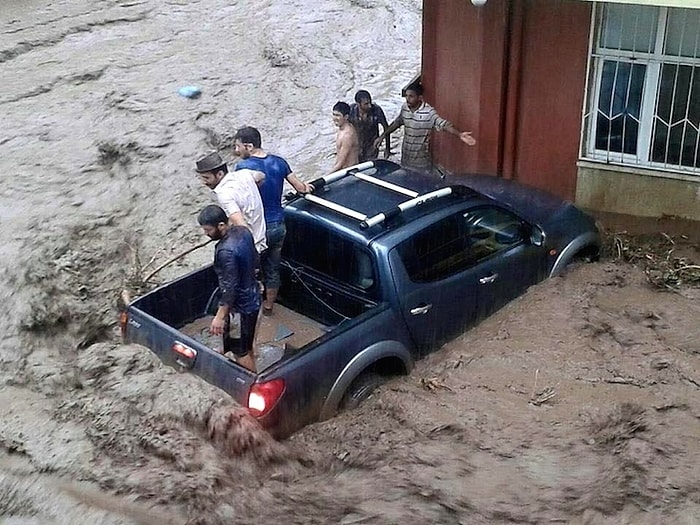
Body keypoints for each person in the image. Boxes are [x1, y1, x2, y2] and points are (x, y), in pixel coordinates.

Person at [233, 126, 313, 315]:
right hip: (278, 226)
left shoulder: (243, 168)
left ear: (249, 146)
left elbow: (237, 200)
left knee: (249, 269)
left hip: (256, 230)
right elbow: (300, 187)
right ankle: (268, 307)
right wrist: (307, 187)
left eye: (238, 147)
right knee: (272, 268)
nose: (236, 151)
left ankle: (250, 307)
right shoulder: (279, 162)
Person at [198, 204, 261, 372]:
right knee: (245, 340)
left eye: (208, 230)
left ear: (221, 225)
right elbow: (255, 260)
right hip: (253, 296)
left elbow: (229, 287)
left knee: (240, 350)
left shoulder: (226, 251)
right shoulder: (243, 231)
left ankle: (253, 380)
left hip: (240, 308)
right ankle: (246, 350)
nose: (206, 234)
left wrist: (219, 317)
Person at [374, 82, 476, 173]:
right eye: (406, 96)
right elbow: (397, 123)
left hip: (421, 163)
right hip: (405, 159)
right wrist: (382, 136)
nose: (407, 99)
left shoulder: (429, 112)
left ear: (420, 98)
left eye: (411, 96)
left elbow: (443, 124)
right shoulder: (405, 108)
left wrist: (459, 134)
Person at [195, 151, 267, 254]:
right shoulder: (244, 173)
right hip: (266, 232)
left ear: (220, 174)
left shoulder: (224, 194)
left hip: (256, 244)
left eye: (207, 178)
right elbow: (261, 176)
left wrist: (252, 255)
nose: (204, 182)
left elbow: (242, 227)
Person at [349, 89, 391, 162]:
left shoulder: (376, 110)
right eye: (366, 104)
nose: (369, 106)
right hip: (356, 145)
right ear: (358, 104)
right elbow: (344, 126)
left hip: (372, 146)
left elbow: (386, 128)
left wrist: (386, 147)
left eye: (370, 102)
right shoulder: (351, 111)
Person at [331, 101, 360, 171]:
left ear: (346, 117)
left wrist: (325, 177)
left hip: (349, 172)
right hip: (345, 170)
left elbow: (340, 163)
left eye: (338, 115)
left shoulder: (347, 136)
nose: (335, 118)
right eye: (334, 114)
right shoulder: (343, 128)